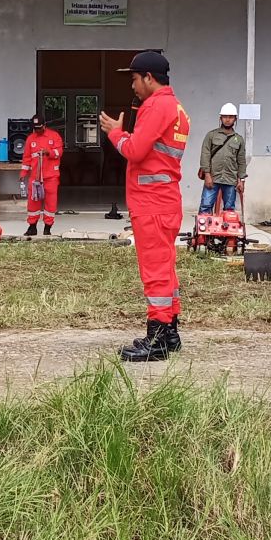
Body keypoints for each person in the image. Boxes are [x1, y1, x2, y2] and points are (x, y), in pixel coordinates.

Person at [99, 51, 189, 363]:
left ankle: (158, 338)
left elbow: (135, 150)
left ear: (149, 78)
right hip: (163, 200)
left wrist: (115, 134)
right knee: (165, 268)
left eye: (135, 79)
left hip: (152, 203)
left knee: (155, 271)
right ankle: (170, 331)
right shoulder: (175, 107)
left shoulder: (156, 105)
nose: (133, 86)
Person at [20, 114, 65, 236]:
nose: (38, 130)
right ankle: (32, 227)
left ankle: (47, 228)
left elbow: (59, 152)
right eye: (35, 128)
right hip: (35, 177)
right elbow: (26, 158)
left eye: (40, 128)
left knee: (50, 202)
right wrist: (23, 172)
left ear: (44, 126)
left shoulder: (54, 136)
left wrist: (49, 152)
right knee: (33, 202)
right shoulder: (30, 139)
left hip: (51, 176)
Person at [198, 103, 246, 215]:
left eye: (230, 117)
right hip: (213, 178)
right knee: (206, 206)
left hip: (230, 179)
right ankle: (204, 232)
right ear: (220, 118)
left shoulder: (238, 139)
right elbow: (205, 155)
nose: (227, 120)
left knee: (229, 210)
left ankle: (225, 233)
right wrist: (207, 175)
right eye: (225, 117)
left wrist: (241, 180)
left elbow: (241, 161)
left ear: (235, 119)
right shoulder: (211, 135)